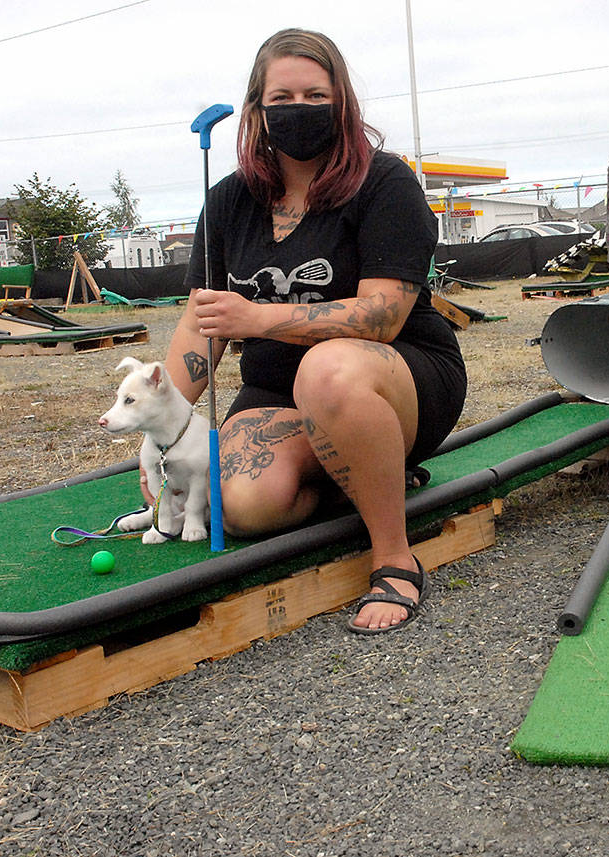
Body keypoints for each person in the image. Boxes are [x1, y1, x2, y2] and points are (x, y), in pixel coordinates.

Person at [157, 28, 467, 634]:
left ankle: (393, 557)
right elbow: (204, 322)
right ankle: (360, 464)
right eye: (282, 98)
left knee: (327, 369)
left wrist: (260, 317)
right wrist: (160, 430)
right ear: (256, 109)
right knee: (242, 506)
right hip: (279, 393)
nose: (298, 110)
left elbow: (384, 316)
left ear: (342, 102)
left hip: (394, 375)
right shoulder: (227, 202)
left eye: (315, 95)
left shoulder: (385, 184)